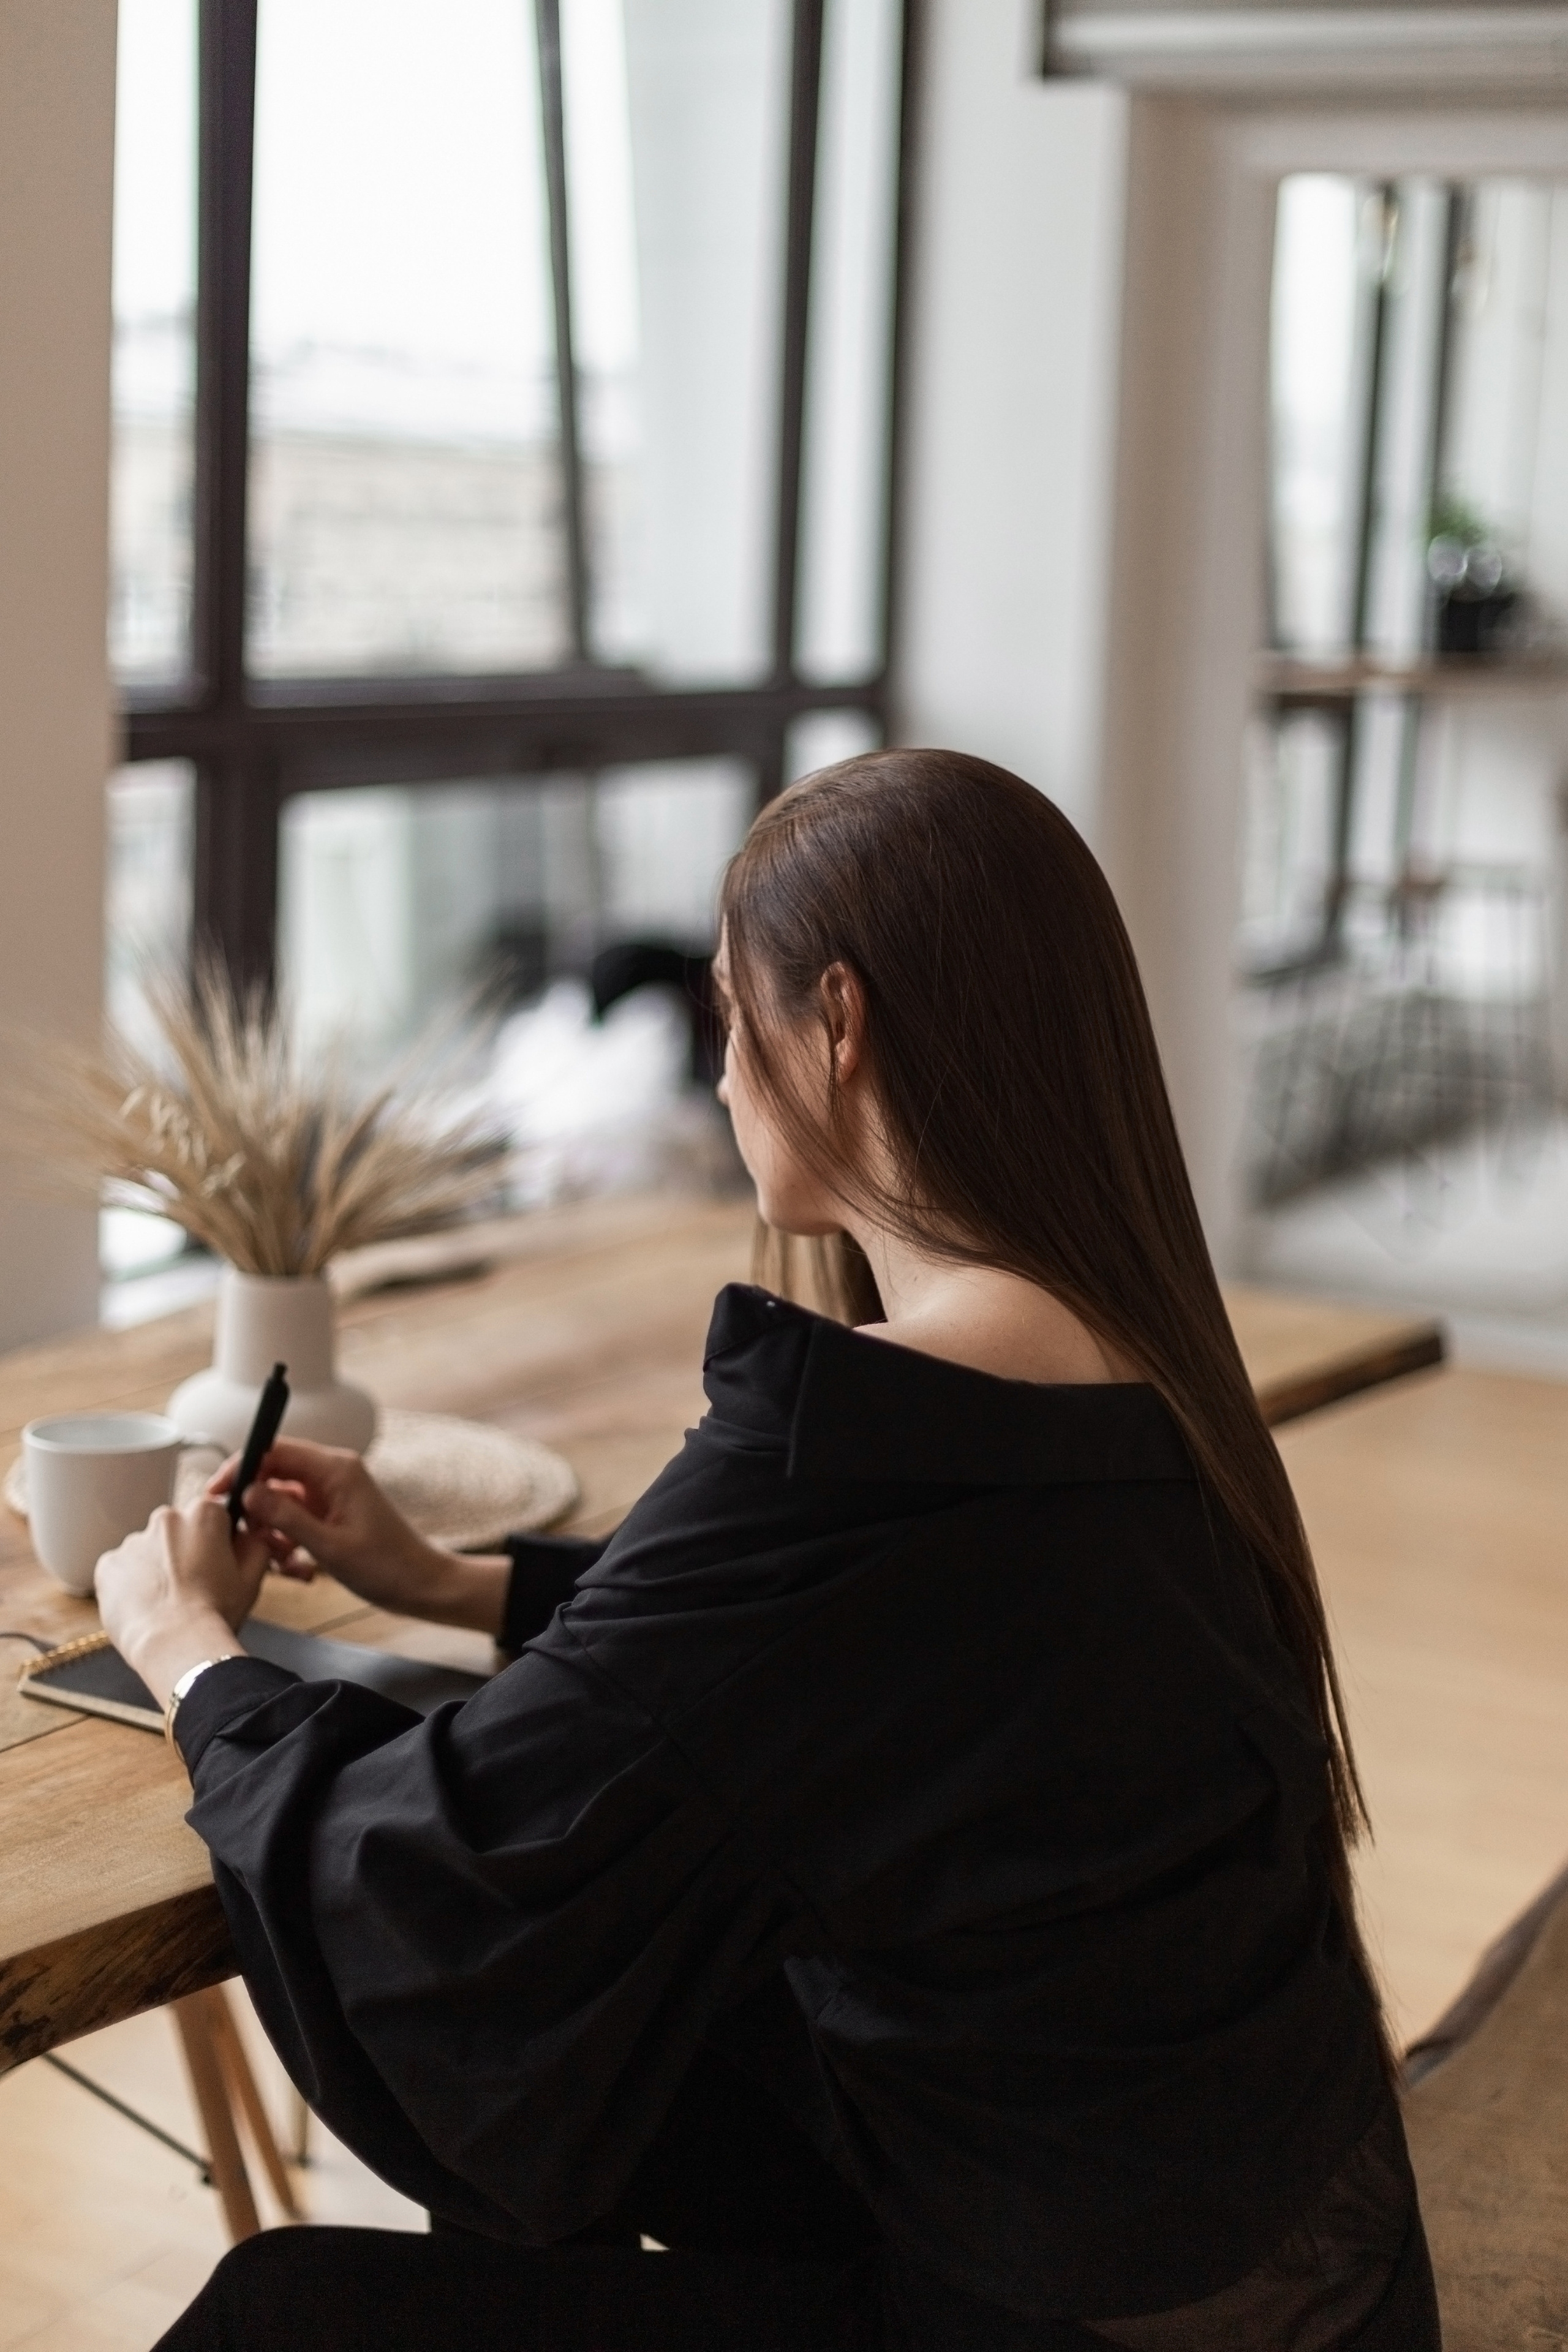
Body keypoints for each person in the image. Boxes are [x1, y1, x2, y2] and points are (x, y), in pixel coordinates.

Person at [96, 751, 1441, 2351]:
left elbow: (437, 1883)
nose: (726, 1079)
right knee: (656, 2026)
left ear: (841, 1025)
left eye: (735, 1022)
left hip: (1045, 2321)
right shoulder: (1138, 1361)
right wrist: (459, 1585)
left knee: (288, 2308)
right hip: (1300, 2289)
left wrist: (191, 1653)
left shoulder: (859, 1432)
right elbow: (849, 1652)